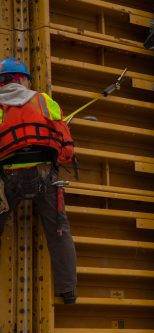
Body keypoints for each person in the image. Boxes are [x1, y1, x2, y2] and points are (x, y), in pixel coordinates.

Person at [0, 57, 77, 304]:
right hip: (45, 176)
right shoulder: (44, 100)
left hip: (10, 177)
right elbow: (64, 141)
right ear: (23, 79)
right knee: (59, 231)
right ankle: (68, 291)